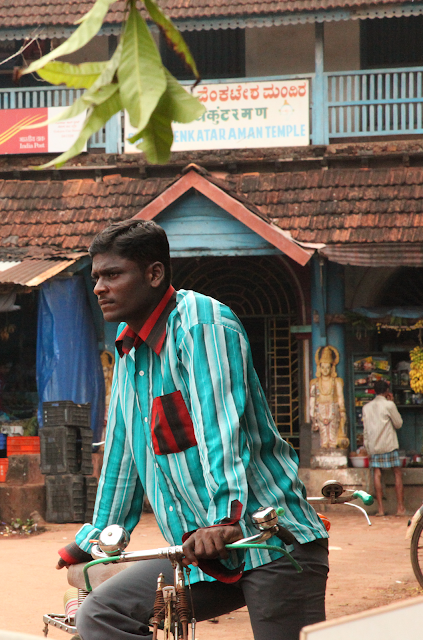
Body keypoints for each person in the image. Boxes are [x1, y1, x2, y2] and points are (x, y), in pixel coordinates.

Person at [56, 219, 329, 640]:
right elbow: (122, 456)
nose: (99, 288)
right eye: (96, 278)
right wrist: (97, 540)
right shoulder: (129, 348)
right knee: (103, 614)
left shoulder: (200, 324)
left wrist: (224, 518)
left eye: (112, 275)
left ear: (154, 274)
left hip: (267, 541)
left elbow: (221, 429)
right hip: (198, 552)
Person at [362, 380, 405, 516]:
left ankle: (380, 509)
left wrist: (368, 448)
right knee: (397, 472)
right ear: (386, 391)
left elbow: (365, 431)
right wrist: (392, 403)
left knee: (377, 473)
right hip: (389, 445)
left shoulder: (366, 407)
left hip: (374, 446)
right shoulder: (389, 405)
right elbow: (398, 423)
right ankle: (400, 508)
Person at [310, 345, 349, 449]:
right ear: (319, 368)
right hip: (320, 410)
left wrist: (342, 411)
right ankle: (324, 447)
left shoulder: (337, 381)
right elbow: (312, 399)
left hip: (333, 408)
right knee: (323, 435)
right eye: (323, 367)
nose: (325, 370)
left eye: (328, 367)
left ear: (332, 368)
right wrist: (312, 415)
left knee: (333, 434)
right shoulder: (315, 383)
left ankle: (332, 446)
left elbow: (340, 397)